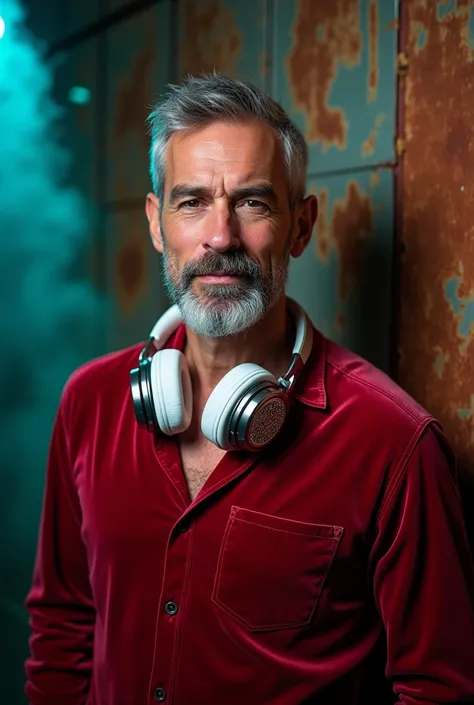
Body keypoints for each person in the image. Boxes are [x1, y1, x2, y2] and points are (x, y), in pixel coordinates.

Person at [25, 73, 474, 705]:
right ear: (157, 224)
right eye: (191, 202)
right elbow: (64, 626)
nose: (220, 237)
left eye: (253, 202)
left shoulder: (395, 444)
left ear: (300, 224)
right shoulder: (89, 402)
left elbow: (437, 690)